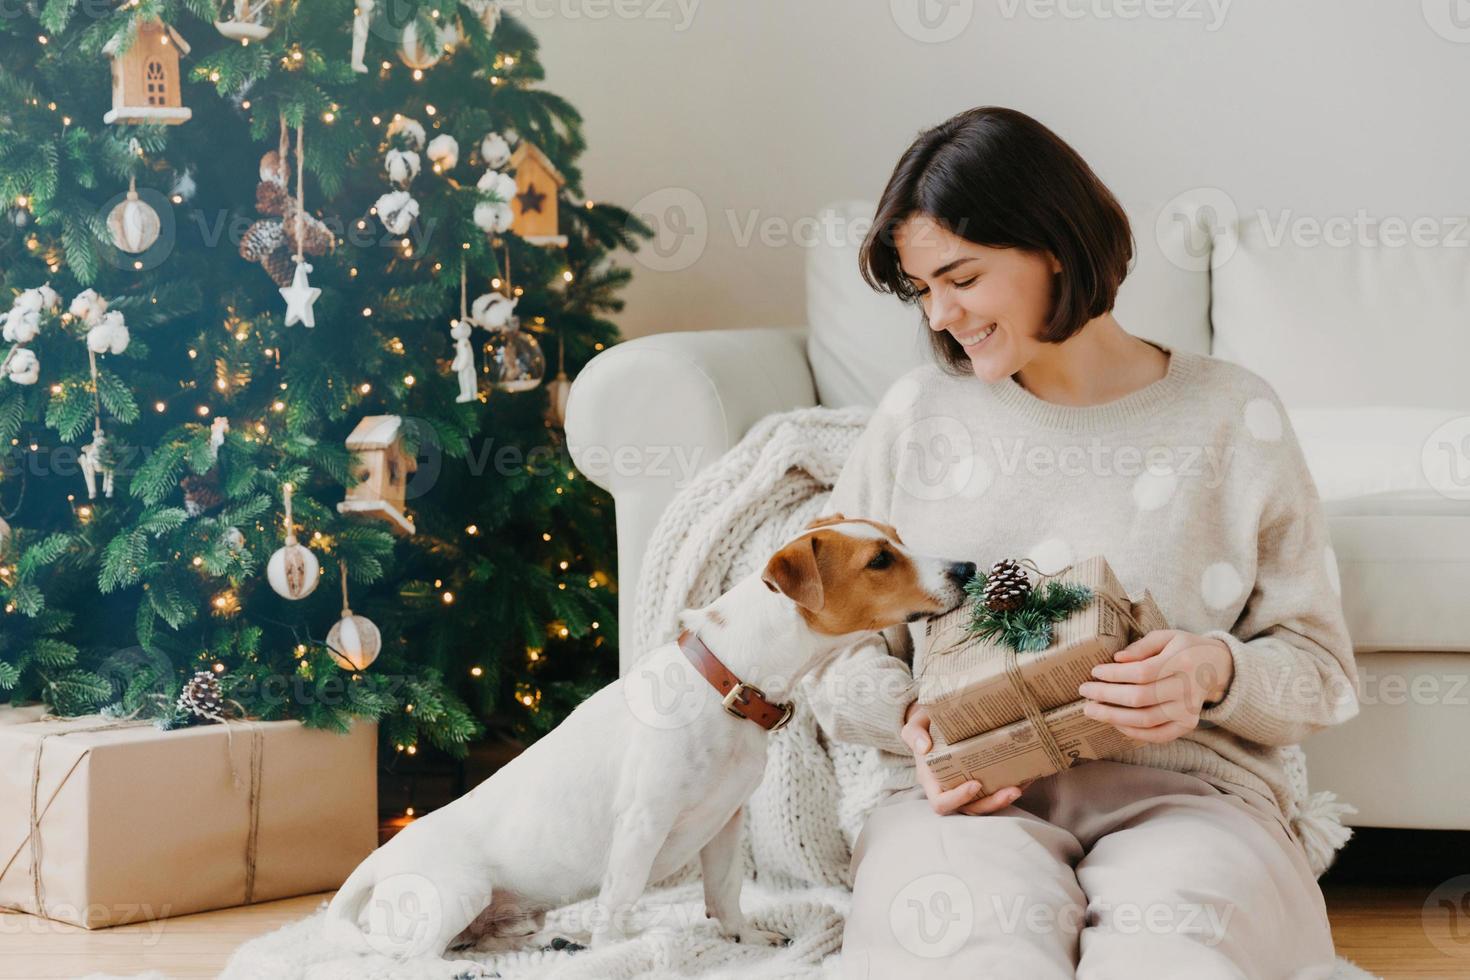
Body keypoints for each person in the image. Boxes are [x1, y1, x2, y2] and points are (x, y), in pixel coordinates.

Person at [807, 106, 1358, 979]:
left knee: (1171, 955)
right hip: (959, 805)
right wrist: (915, 726)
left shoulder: (1231, 413)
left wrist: (1214, 674)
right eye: (922, 290)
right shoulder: (918, 416)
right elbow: (833, 650)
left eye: (962, 277)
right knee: (973, 954)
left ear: (1052, 245)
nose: (942, 314)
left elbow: (1322, 672)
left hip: (1189, 796)